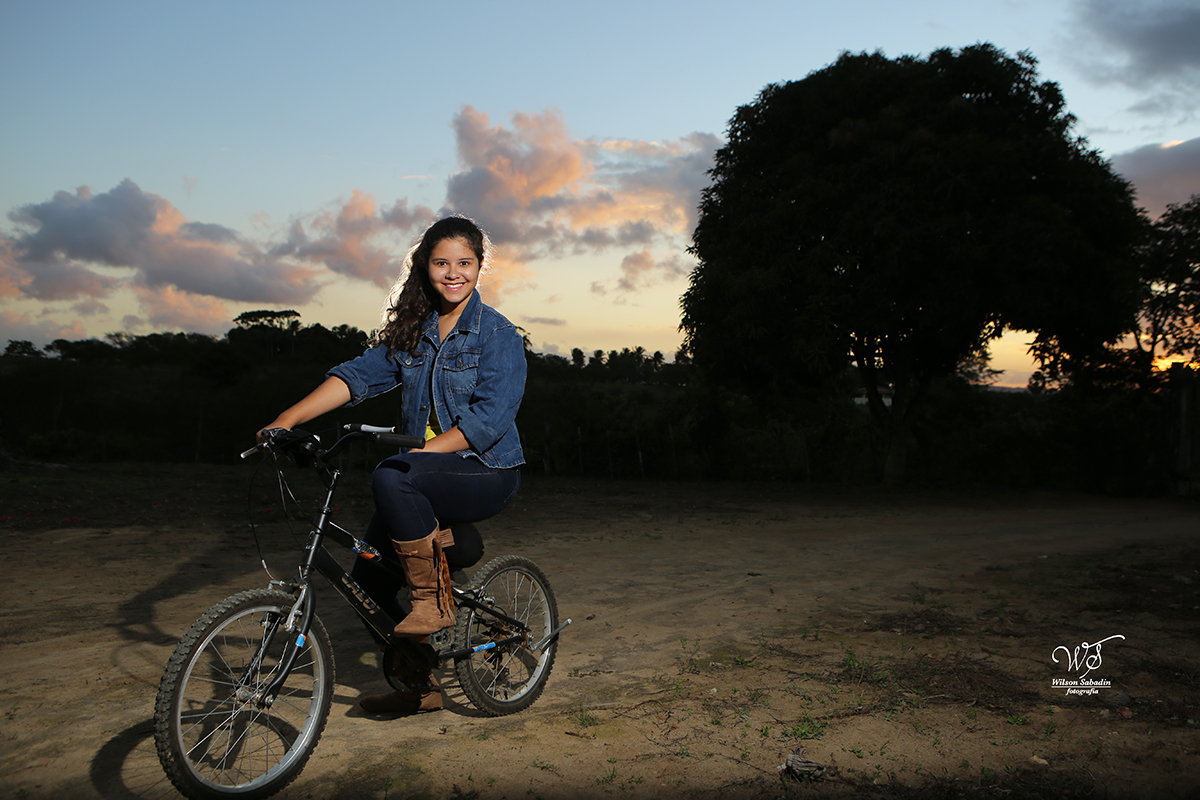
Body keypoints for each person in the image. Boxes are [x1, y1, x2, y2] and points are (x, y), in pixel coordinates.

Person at [259, 215, 526, 714]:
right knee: (367, 581)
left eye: (464, 263)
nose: (453, 273)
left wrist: (424, 454)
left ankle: (432, 603)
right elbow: (355, 377)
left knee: (392, 473)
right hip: (421, 476)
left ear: (479, 266)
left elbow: (489, 421)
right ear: (425, 267)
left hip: (486, 470)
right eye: (441, 263)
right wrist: (285, 419)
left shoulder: (498, 335)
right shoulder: (413, 334)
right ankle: (420, 688)